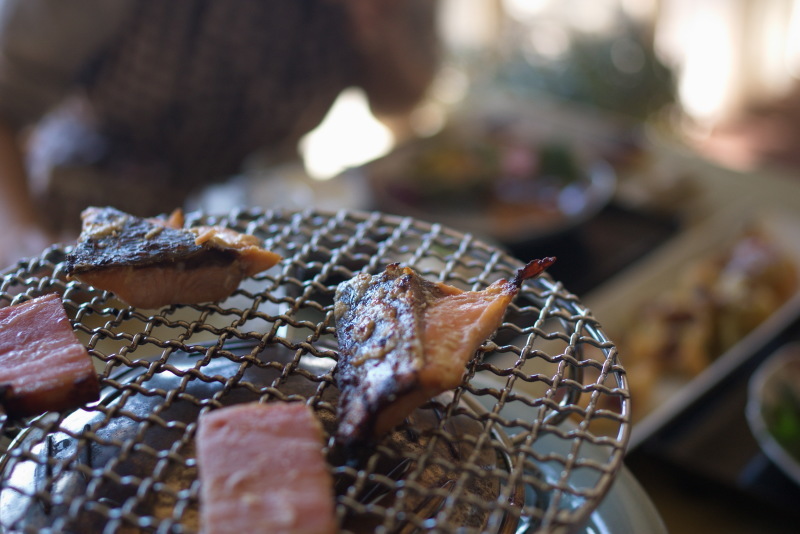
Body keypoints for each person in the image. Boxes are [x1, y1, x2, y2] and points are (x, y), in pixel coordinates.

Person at [0, 0, 440, 268]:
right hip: (93, 210)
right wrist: (22, 237)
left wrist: (379, 23)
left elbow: (400, 99)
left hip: (260, 216)